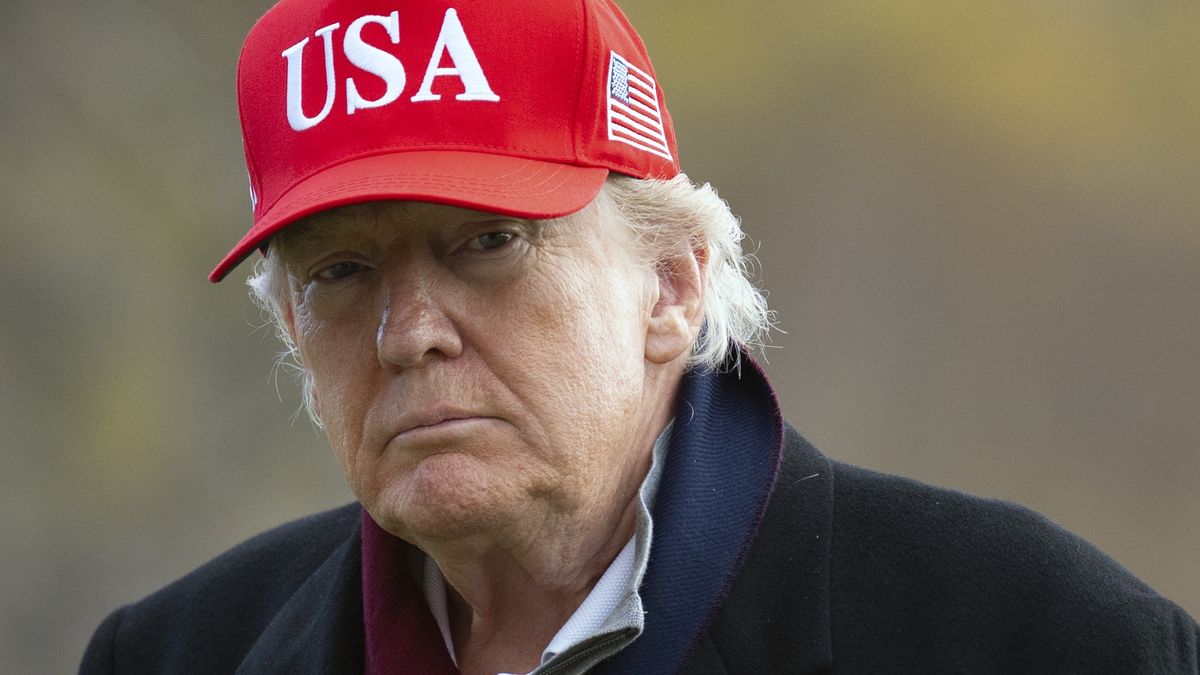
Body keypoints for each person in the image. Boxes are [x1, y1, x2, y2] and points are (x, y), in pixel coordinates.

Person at [81, 0, 1199, 673]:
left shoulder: (1037, 639)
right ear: (289, 328)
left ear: (671, 283)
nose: (410, 331)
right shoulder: (177, 653)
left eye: (488, 243)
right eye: (340, 271)